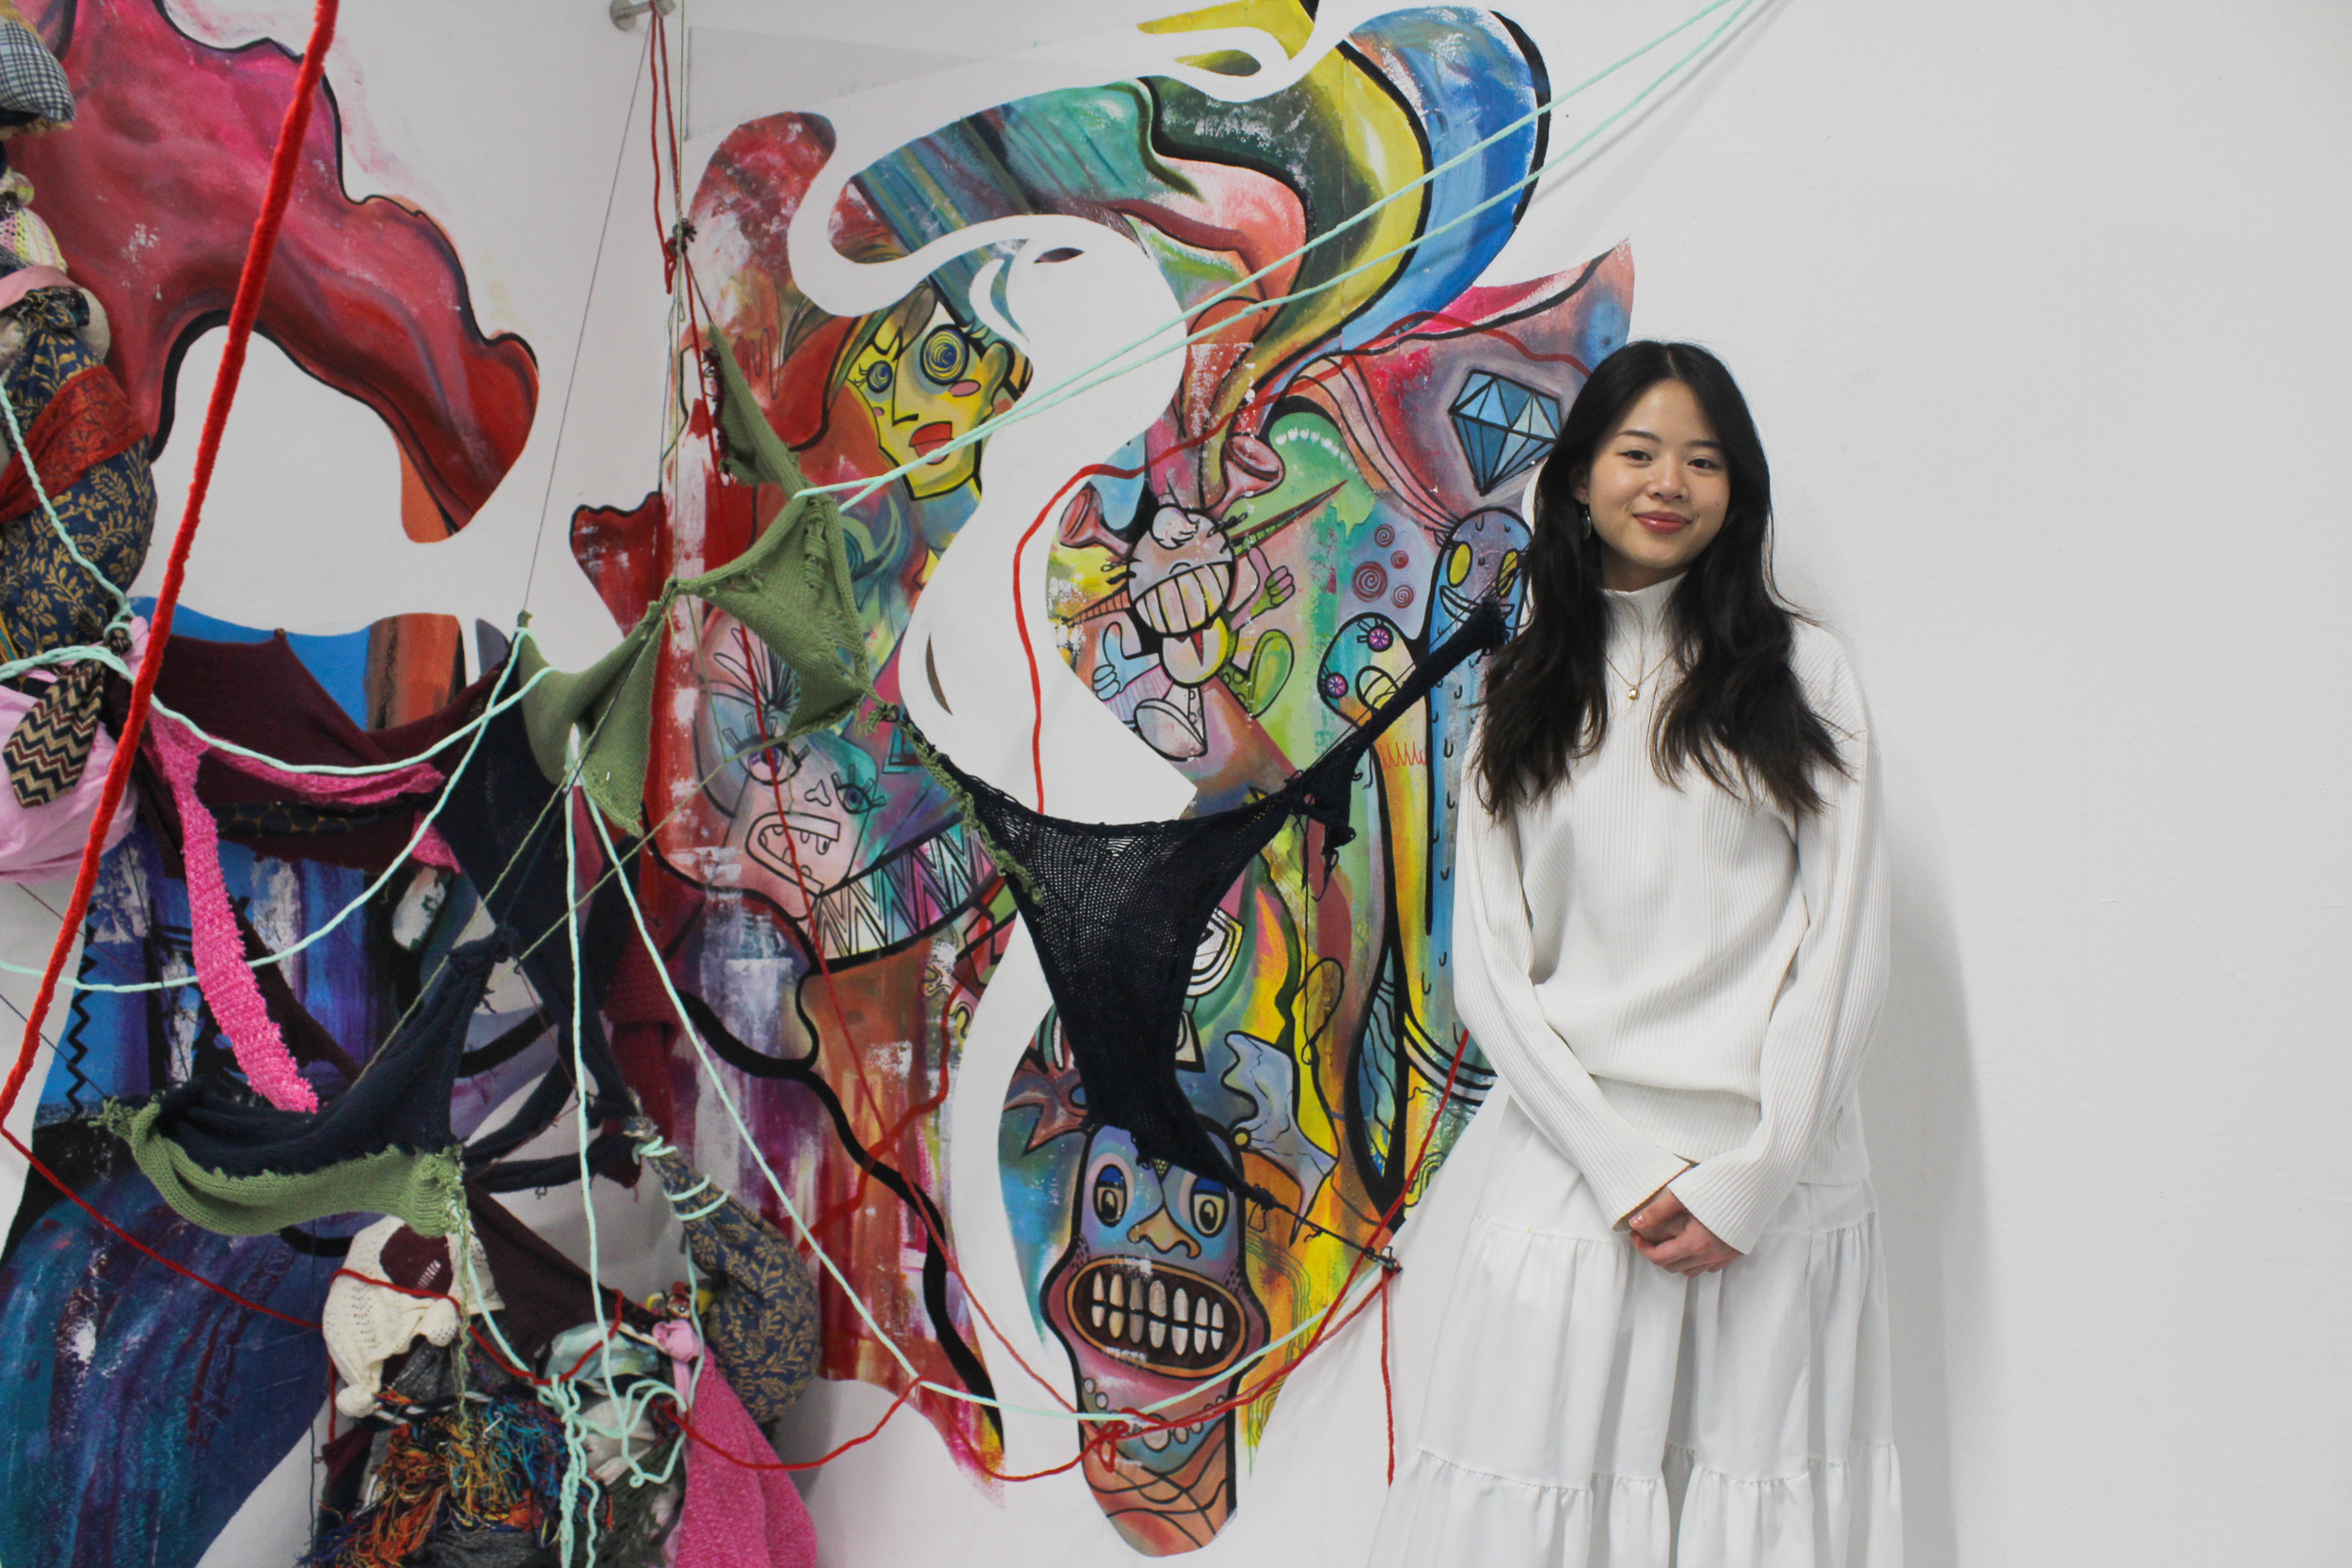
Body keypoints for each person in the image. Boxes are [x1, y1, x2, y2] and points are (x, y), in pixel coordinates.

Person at [1369, 341, 1900, 1566]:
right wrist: (1616, 1163)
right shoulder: (1523, 685)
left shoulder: (1806, 673)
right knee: (1526, 1513)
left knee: (1762, 1520)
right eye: (1640, 452)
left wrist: (1754, 1173)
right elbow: (1491, 968)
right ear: (1577, 479)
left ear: (1739, 490)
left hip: (1778, 1182)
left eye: (1705, 459)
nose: (1671, 482)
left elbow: (1848, 940)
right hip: (1573, 1175)